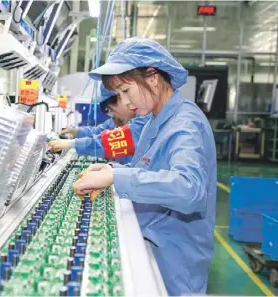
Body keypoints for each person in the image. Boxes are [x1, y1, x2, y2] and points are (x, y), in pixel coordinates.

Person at [73, 37, 217, 296]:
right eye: (119, 95)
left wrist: (117, 177)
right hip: (155, 242)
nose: (125, 103)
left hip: (175, 263)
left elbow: (189, 189)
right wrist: (110, 172)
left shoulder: (185, 124)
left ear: (152, 76)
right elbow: (149, 170)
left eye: (126, 91)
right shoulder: (156, 119)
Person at [49, 84, 150, 164]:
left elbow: (113, 141)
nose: (112, 114)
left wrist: (72, 143)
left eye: (111, 109)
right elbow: (99, 132)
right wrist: (74, 131)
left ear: (120, 98)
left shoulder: (145, 119)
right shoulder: (120, 119)